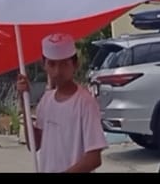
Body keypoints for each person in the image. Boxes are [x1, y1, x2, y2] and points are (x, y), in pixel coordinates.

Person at [15, 33, 107, 173]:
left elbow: (94, 158)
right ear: (44, 65)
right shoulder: (46, 101)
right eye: (52, 64)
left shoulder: (86, 103)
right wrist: (24, 101)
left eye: (64, 64)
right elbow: (34, 144)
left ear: (75, 64)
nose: (58, 71)